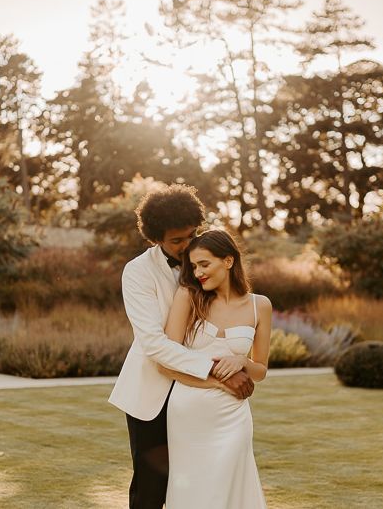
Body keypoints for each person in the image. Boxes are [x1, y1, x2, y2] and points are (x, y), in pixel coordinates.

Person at [108, 185, 254, 509]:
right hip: (153, 397)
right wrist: (216, 371)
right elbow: (154, 344)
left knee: (200, 482)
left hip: (200, 400)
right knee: (151, 487)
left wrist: (238, 358)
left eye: (192, 235)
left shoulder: (209, 265)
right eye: (177, 241)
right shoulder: (137, 273)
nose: (188, 246)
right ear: (155, 238)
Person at [158, 229, 272, 509]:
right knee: (194, 491)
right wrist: (220, 382)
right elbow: (166, 364)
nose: (197, 272)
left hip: (233, 414)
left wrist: (243, 362)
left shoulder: (261, 306)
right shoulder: (188, 296)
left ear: (229, 261)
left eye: (204, 264)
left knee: (228, 488)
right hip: (189, 410)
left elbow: (260, 371)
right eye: (194, 266)